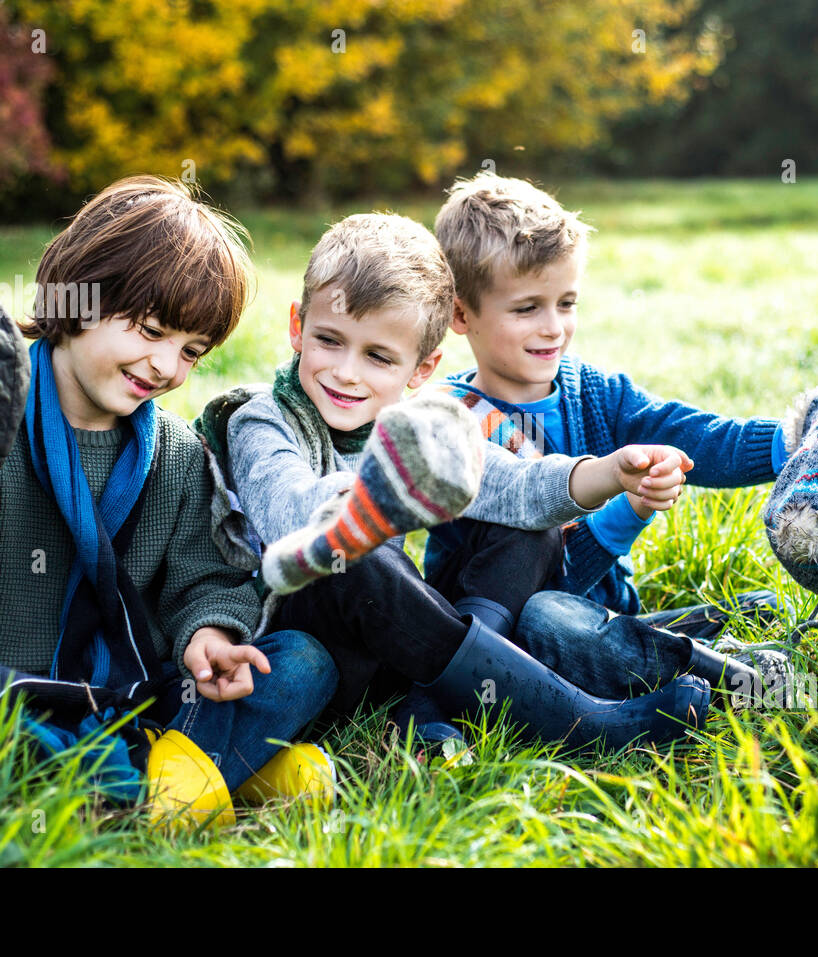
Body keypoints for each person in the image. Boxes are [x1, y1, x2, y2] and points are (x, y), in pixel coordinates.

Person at [0, 175, 337, 821]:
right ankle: (212, 768)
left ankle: (158, 776)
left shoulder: (176, 453)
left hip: (140, 694)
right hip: (4, 694)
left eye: (191, 351)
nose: (167, 365)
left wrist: (212, 634)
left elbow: (210, 577)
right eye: (149, 330)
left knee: (304, 661)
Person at [202, 212, 717, 752]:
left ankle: (428, 706)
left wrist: (610, 471)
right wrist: (387, 494)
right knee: (353, 552)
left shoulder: (416, 419)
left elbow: (515, 487)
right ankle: (582, 722)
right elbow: (289, 514)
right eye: (329, 341)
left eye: (378, 356)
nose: (347, 372)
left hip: (392, 651)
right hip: (299, 649)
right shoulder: (261, 419)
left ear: (422, 370)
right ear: (296, 327)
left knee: (524, 528)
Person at [427, 171, 792, 700]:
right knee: (547, 620)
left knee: (586, 624)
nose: (554, 327)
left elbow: (693, 434)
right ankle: (722, 672)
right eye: (527, 307)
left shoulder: (593, 390)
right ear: (460, 313)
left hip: (602, 610)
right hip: (507, 635)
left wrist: (791, 443)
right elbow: (549, 581)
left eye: (567, 303)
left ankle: (662, 639)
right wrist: (629, 513)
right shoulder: (451, 420)